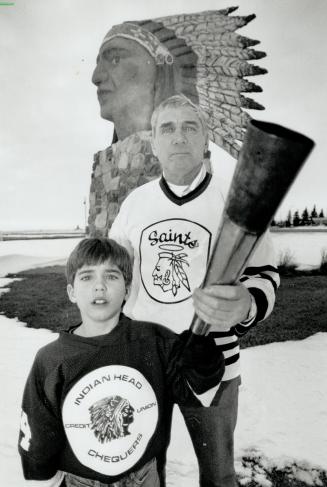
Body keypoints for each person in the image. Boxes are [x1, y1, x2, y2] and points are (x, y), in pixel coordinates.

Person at [109, 95, 280, 487]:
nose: (179, 137)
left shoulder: (237, 199)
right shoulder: (135, 204)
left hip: (212, 362)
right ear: (154, 142)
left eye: (190, 127)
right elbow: (114, 278)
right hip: (144, 359)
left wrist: (246, 304)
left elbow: (264, 273)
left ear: (205, 139)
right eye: (167, 129)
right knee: (143, 474)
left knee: (219, 476)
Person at [18, 238, 225, 487]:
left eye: (112, 276)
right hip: (79, 480)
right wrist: (41, 470)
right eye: (86, 277)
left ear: (127, 289)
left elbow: (194, 389)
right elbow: (38, 428)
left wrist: (203, 359)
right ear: (72, 292)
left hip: (143, 476)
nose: (100, 286)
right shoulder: (52, 359)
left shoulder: (155, 341)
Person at [88, 7, 267, 235]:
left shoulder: (213, 197)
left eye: (115, 59)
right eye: (98, 63)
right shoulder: (117, 176)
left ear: (161, 67)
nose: (96, 77)